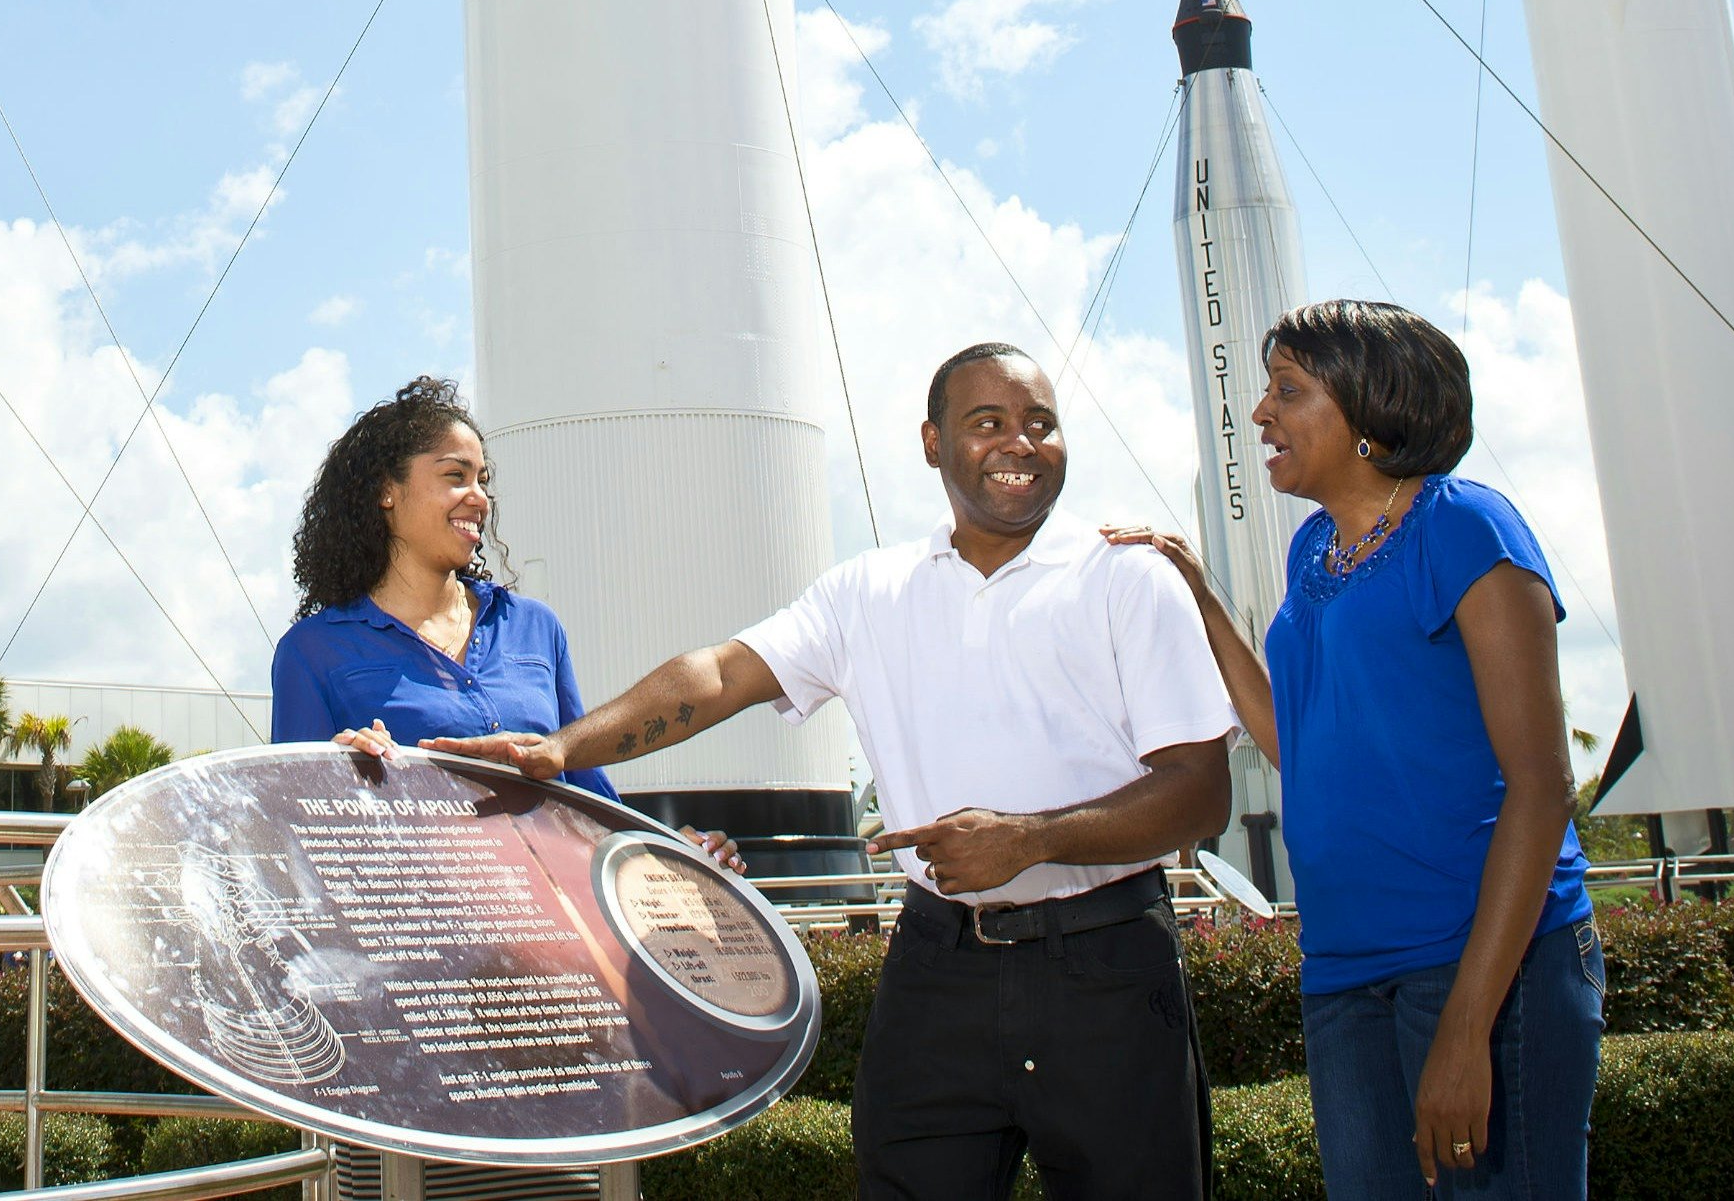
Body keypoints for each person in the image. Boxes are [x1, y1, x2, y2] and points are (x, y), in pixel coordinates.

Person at [435, 344, 1237, 1201]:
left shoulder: (1128, 577)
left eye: (1041, 423)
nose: (1021, 443)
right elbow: (719, 674)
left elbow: (1200, 790)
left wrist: (1029, 839)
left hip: (1107, 967)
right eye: (988, 422)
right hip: (939, 969)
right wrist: (562, 748)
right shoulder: (869, 590)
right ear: (932, 443)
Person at [1114, 300, 1598, 1201]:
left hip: (1485, 968)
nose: (1260, 413)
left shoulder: (1465, 529)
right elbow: (1291, 743)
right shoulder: (1313, 552)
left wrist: (1466, 1026)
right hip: (1345, 972)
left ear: (1371, 411)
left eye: (1288, 391)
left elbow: (1543, 787)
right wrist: (1197, 591)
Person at [267, 375, 619, 800]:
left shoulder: (535, 626)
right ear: (385, 491)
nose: (479, 498)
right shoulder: (311, 651)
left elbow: (592, 800)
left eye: (482, 480)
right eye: (456, 475)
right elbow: (296, 820)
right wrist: (337, 778)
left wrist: (666, 852)